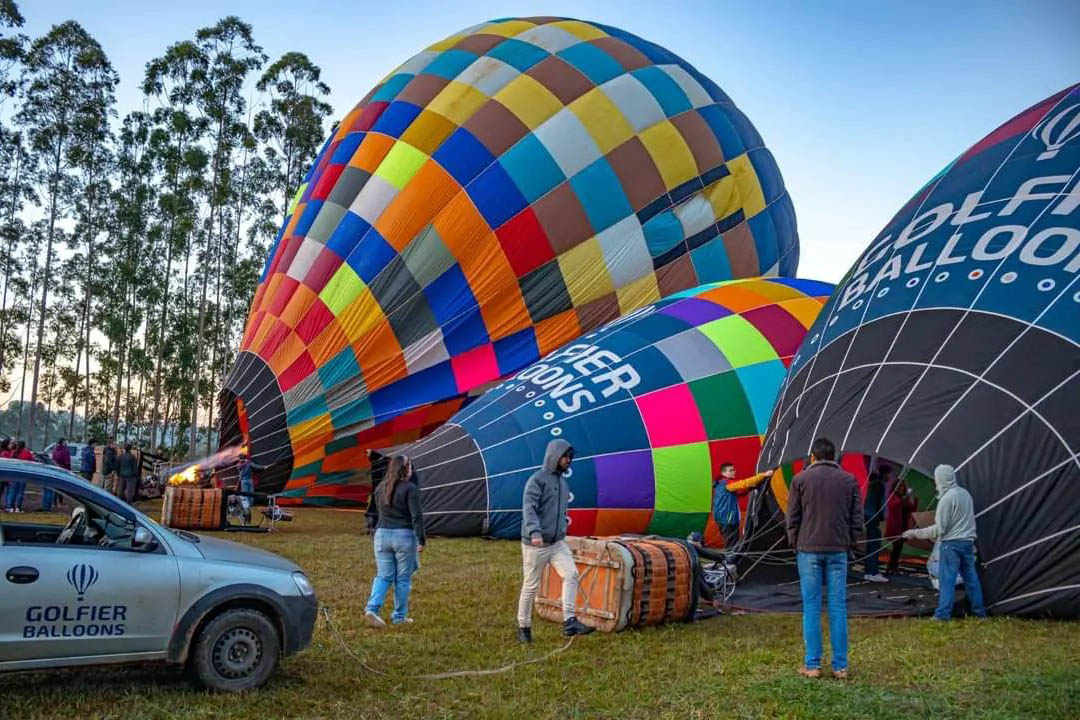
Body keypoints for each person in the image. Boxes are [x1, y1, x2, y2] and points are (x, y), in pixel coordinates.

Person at [786, 437, 863, 680]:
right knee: (838, 606)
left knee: (811, 607)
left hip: (808, 550)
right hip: (838, 550)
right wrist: (854, 545)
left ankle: (813, 665)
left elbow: (792, 517)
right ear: (834, 457)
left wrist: (795, 543)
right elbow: (857, 519)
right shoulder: (850, 481)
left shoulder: (800, 480)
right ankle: (840, 666)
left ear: (813, 457)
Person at [516, 438, 594, 643]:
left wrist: (562, 530)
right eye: (566, 456)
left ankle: (569, 621)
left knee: (571, 574)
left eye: (570, 457)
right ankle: (523, 627)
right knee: (530, 586)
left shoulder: (562, 482)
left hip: (556, 543)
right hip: (536, 545)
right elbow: (528, 508)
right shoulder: (537, 480)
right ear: (555, 456)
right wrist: (535, 532)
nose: (569, 460)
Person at [903, 465, 986, 621]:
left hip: (951, 545)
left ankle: (942, 615)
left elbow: (939, 529)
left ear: (940, 479)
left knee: (947, 581)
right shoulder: (965, 494)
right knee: (971, 579)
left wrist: (913, 533)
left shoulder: (946, 499)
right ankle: (980, 613)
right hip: (968, 543)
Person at [365, 456, 425, 627]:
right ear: (406, 469)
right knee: (403, 578)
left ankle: (372, 608)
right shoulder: (410, 489)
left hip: (381, 535)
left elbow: (375, 514)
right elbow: (416, 516)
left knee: (383, 575)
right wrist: (421, 538)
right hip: (404, 536)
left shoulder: (381, 488)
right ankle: (399, 616)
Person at [885, 470, 918, 574]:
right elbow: (893, 506)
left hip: (903, 526)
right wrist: (904, 499)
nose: (901, 488)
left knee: (898, 548)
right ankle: (891, 567)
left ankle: (893, 567)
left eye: (902, 487)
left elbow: (911, 508)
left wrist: (912, 500)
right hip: (896, 526)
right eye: (899, 487)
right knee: (896, 547)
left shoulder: (902, 498)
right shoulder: (893, 497)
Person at [862, 465, 889, 583]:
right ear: (885, 473)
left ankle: (869, 571)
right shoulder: (880, 485)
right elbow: (880, 503)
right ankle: (872, 572)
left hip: (868, 516)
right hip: (874, 517)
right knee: (874, 545)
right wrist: (882, 517)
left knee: (870, 545)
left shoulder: (872, 484)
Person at [364, 449, 389, 534]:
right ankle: (372, 525)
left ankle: (372, 525)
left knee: (376, 504)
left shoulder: (381, 462)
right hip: (378, 489)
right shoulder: (378, 463)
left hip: (379, 488)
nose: (367, 455)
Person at [5, 440, 34, 512]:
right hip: (23, 474)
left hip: (14, 474)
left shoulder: (13, 452)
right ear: (24, 446)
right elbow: (32, 461)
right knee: (20, 492)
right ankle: (18, 507)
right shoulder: (27, 453)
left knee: (12, 491)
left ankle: (10, 507)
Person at [44, 438, 73, 512]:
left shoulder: (54, 450)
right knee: (62, 487)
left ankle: (54, 503)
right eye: (65, 441)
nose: (66, 443)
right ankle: (60, 502)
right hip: (63, 469)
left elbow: (53, 460)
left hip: (55, 469)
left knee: (55, 486)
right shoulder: (65, 450)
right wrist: (69, 470)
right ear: (62, 442)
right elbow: (67, 461)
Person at [237, 451, 254, 523]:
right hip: (244, 481)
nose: (240, 460)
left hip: (249, 480)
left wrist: (264, 467)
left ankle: (250, 505)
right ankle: (246, 506)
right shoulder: (240, 465)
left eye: (241, 458)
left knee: (251, 493)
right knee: (245, 494)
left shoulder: (248, 463)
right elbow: (239, 469)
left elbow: (255, 466)